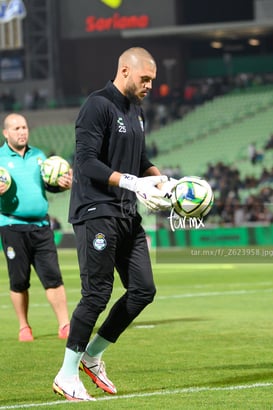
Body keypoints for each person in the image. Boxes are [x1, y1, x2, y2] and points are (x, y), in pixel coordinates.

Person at [53, 47, 172, 401]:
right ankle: (66, 374)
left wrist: (166, 182)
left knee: (143, 290)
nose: (150, 85)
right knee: (97, 293)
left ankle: (93, 356)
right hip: (95, 211)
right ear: (124, 70)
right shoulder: (97, 105)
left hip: (125, 213)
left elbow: (140, 159)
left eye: (153, 79)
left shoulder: (136, 111)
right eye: (145, 78)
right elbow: (87, 163)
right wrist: (134, 183)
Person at [0, 113, 72, 342]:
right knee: (19, 280)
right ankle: (24, 327)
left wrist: (61, 186)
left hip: (41, 226)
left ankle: (65, 325)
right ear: (6, 133)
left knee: (53, 276)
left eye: (24, 127)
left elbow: (48, 186)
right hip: (11, 225)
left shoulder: (40, 156)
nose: (22, 131)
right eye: (17, 128)